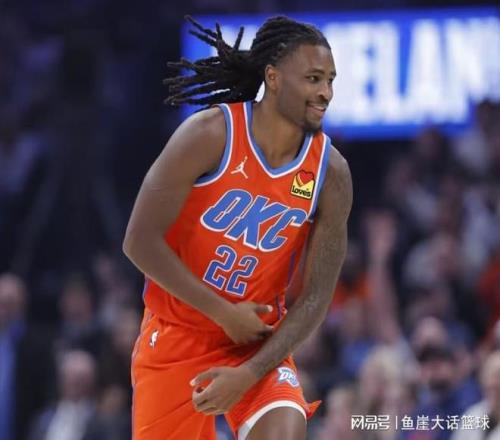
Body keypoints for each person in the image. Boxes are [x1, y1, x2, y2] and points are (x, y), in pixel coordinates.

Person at [123, 15, 352, 440]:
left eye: (330, 80)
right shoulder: (210, 134)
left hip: (257, 341)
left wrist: (250, 372)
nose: (326, 92)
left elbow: (317, 298)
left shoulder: (330, 173)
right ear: (274, 78)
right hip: (177, 334)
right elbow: (139, 241)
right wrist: (223, 313)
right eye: (313, 78)